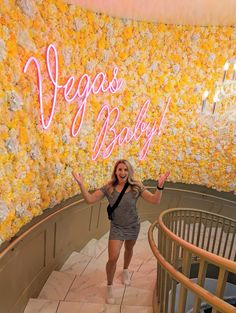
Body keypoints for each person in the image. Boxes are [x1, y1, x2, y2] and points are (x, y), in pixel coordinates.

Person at [73, 159, 169, 304]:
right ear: (115, 172)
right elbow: (90, 199)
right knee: (112, 258)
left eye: (125, 169)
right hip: (117, 227)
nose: (122, 172)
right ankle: (110, 286)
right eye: (119, 170)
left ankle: (125, 270)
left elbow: (154, 200)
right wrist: (81, 184)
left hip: (133, 226)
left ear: (129, 171)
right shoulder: (109, 187)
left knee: (129, 249)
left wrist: (160, 187)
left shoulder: (137, 187)